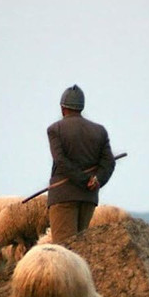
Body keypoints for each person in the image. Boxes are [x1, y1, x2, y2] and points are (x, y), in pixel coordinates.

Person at [46, 85, 115, 244]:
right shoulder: (99, 131)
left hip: (64, 196)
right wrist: (96, 180)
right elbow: (109, 162)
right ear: (81, 108)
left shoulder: (55, 129)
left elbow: (61, 161)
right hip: (88, 198)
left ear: (63, 108)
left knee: (65, 250)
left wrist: (84, 180)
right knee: (81, 248)